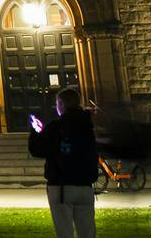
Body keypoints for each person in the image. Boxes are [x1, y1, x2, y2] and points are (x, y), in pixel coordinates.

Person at [28, 86, 99, 238]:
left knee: (64, 232)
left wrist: (36, 132)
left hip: (62, 186)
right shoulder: (87, 126)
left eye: (57, 103)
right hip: (85, 186)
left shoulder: (56, 126)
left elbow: (38, 150)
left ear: (61, 103)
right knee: (87, 232)